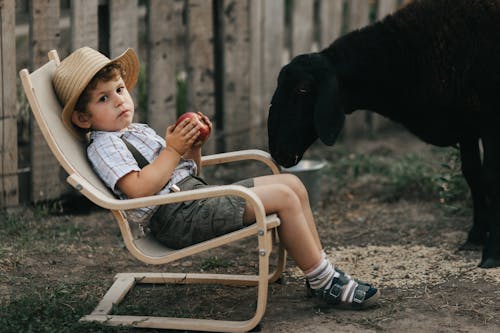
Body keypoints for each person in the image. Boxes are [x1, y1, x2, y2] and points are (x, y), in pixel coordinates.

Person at [52, 46, 380, 309]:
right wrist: (172, 151)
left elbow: (188, 173)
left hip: (193, 199)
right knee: (284, 197)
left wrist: (190, 150)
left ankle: (319, 272)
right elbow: (138, 190)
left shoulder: (134, 131)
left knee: (292, 184)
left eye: (120, 89)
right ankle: (325, 281)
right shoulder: (105, 146)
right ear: (83, 118)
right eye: (104, 98)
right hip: (175, 218)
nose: (120, 101)